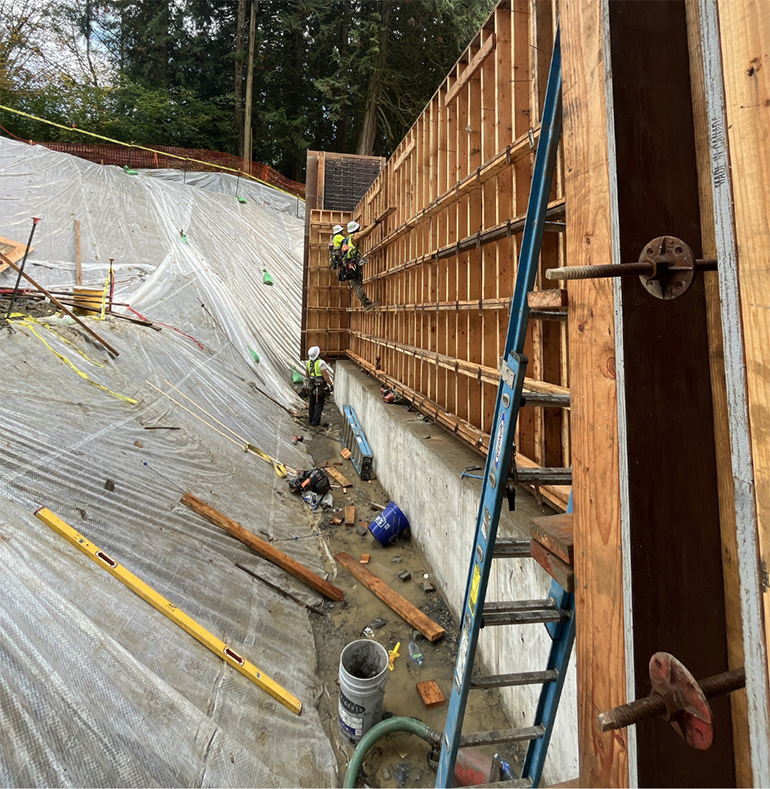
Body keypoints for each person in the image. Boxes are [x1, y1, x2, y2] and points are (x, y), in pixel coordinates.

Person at [340, 220, 380, 311]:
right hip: (353, 265)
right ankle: (367, 304)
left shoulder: (347, 239)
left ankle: (366, 304)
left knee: (356, 285)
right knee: (358, 285)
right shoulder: (354, 237)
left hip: (348, 265)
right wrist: (374, 224)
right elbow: (365, 233)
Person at [305, 346, 333, 426]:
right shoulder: (321, 362)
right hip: (320, 385)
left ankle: (311, 420)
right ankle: (315, 423)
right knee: (319, 404)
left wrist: (307, 384)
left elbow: (307, 374)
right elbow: (325, 375)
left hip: (312, 385)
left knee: (312, 403)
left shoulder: (308, 363)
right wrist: (331, 384)